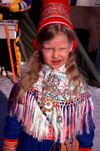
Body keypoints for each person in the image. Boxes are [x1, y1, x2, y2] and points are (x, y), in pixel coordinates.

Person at [2, 0, 95, 150]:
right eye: (49, 48)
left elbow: (85, 126)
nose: (56, 55)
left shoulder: (78, 88)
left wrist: (85, 147)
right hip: (29, 145)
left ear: (71, 46)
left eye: (62, 48)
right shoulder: (26, 84)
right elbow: (14, 119)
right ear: (38, 45)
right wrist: (9, 147)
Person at [0, 0, 32, 71]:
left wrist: (12, 6)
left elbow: (28, 3)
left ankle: (12, 68)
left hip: (13, 16)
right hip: (1, 15)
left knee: (12, 43)